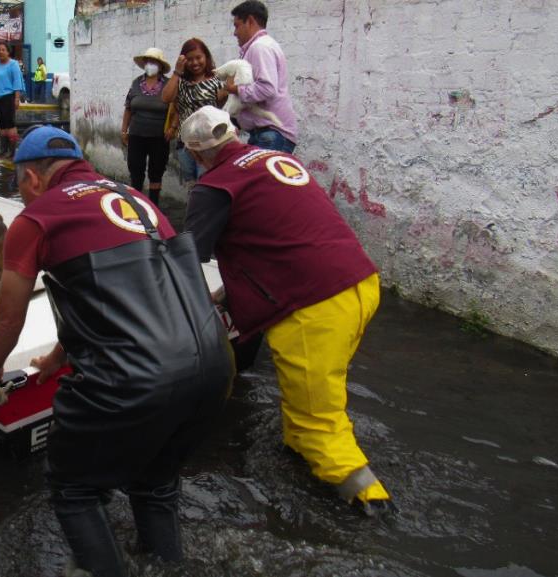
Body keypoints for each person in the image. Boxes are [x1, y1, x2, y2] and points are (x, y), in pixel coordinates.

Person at [0, 126, 234, 577]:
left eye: (20, 185)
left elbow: (6, 317)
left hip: (137, 378)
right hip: (213, 364)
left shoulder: (37, 218)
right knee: (154, 484)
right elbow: (126, 296)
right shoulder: (138, 200)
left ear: (32, 178)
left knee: (73, 488)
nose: (23, 194)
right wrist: (59, 356)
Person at [180, 106, 393, 516]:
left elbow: (186, 260)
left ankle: (370, 505)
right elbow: (278, 235)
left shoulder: (214, 186)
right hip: (357, 283)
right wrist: (227, 294)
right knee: (312, 390)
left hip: (313, 306)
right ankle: (296, 449)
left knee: (320, 418)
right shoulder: (276, 159)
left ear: (196, 153)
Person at [228, 0, 298, 153]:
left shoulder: (260, 47)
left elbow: (266, 88)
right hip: (266, 133)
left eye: (237, 25)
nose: (235, 32)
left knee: (259, 177)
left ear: (251, 21)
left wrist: (235, 89)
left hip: (271, 133)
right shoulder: (261, 46)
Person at [160, 38, 226, 186]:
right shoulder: (181, 82)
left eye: (198, 57)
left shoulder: (216, 80)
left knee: (205, 182)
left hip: (208, 143)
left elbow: (221, 107)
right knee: (190, 184)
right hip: (185, 144)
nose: (195, 62)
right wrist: (177, 72)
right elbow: (166, 98)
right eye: (190, 59)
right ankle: (193, 208)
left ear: (206, 57)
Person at [121, 47, 174, 205]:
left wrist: (173, 127)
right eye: (148, 61)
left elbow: (175, 107)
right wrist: (124, 130)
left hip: (159, 136)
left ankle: (153, 205)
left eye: (154, 62)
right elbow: (128, 108)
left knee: (156, 173)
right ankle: (137, 206)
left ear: (160, 65)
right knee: (136, 171)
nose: (150, 64)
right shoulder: (136, 83)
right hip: (136, 135)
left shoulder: (169, 84)